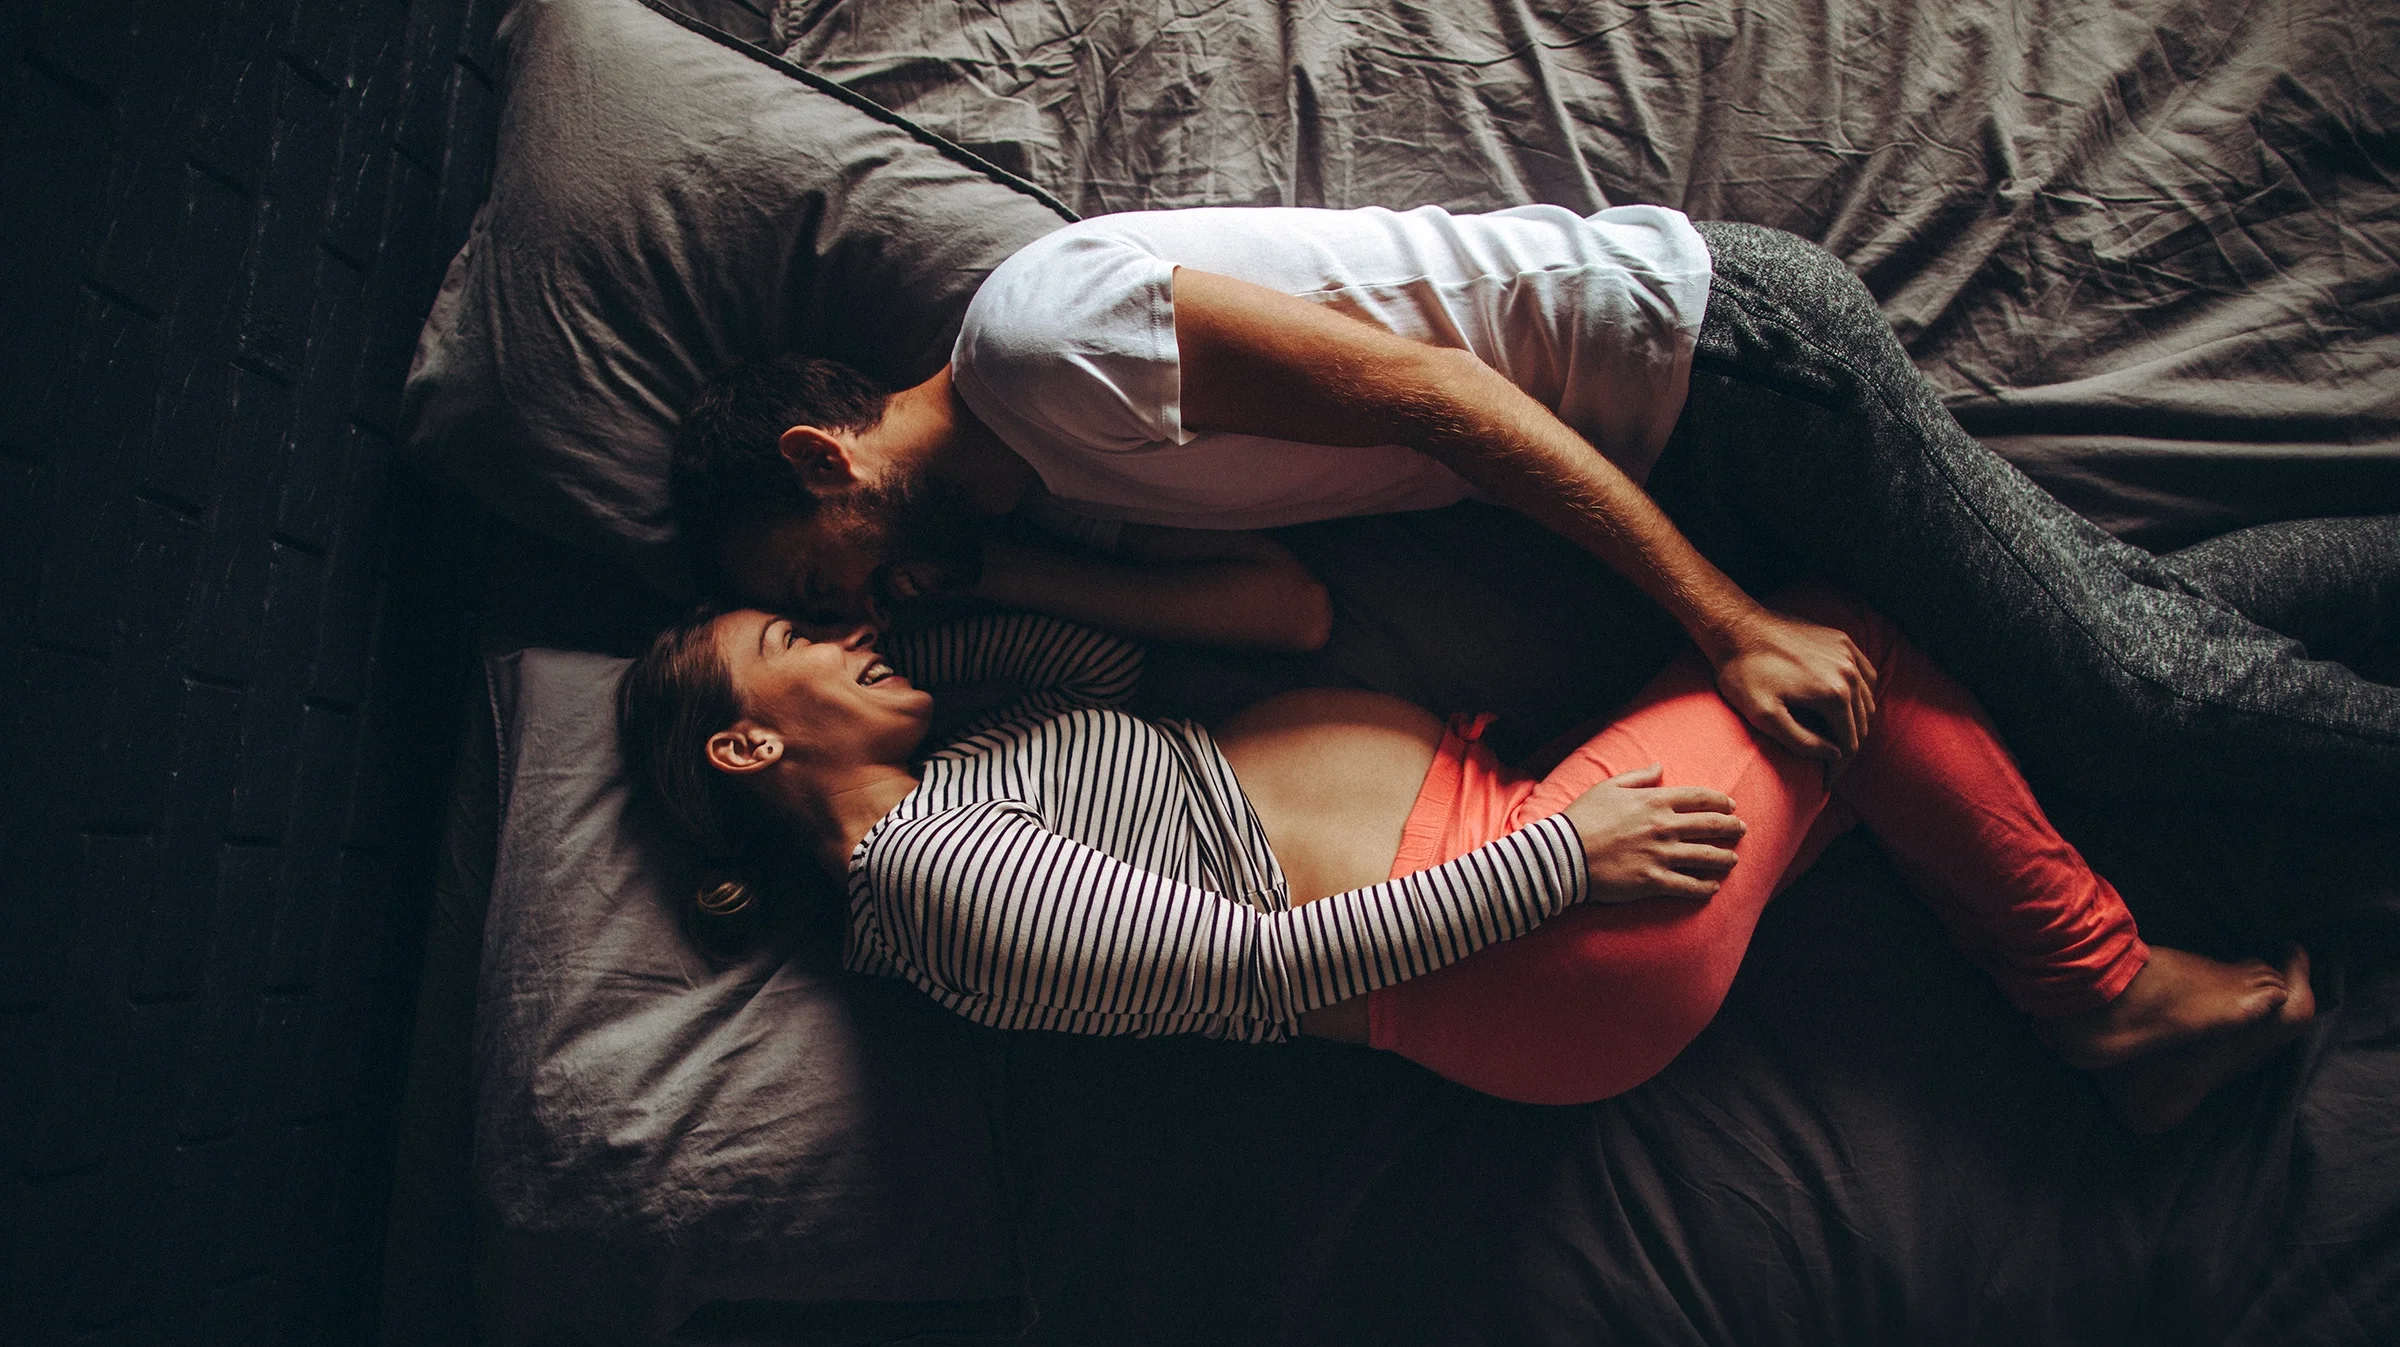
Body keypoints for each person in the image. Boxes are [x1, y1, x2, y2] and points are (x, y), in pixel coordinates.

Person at [667, 204, 2400, 802]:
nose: (842, 610)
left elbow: (1440, 394)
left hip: (1727, 366)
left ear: (826, 460)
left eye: (809, 574)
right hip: (1683, 428)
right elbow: (1286, 611)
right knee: (2125, 642)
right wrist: (1003, 585)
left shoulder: (1039, 342)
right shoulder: (1048, 488)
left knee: (2120, 696)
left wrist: (1721, 624)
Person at [616, 589, 2315, 1134]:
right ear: (744, 745)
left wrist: (930, 626)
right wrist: (1563, 857)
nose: (840, 628)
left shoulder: (967, 768)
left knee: (1874, 737)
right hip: (1513, 929)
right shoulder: (923, 875)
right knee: (1840, 663)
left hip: (1517, 864)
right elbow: (1256, 966)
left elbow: (1107, 677)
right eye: (793, 637)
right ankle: (2104, 992)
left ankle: (2206, 708)